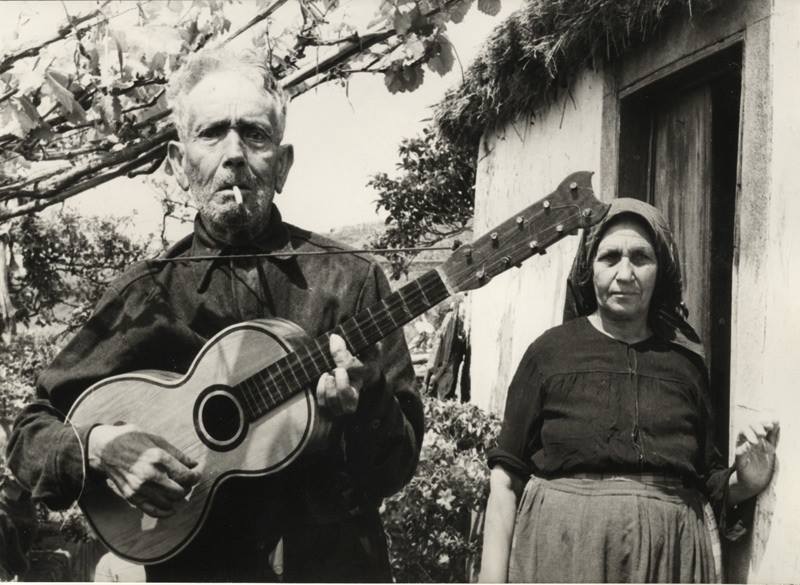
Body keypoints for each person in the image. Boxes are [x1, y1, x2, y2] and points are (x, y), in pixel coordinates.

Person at [5, 47, 423, 582]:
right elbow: (29, 434)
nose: (233, 155)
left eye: (254, 134)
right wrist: (100, 447)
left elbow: (395, 468)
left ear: (283, 162)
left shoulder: (352, 280)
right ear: (179, 165)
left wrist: (365, 405)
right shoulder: (145, 295)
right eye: (211, 134)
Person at [479, 198, 779, 583]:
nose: (625, 273)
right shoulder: (548, 354)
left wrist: (747, 481)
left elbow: (707, 482)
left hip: (669, 560)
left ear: (662, 271)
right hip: (565, 554)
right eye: (610, 258)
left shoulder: (686, 367)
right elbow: (505, 480)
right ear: (590, 269)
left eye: (641, 258)